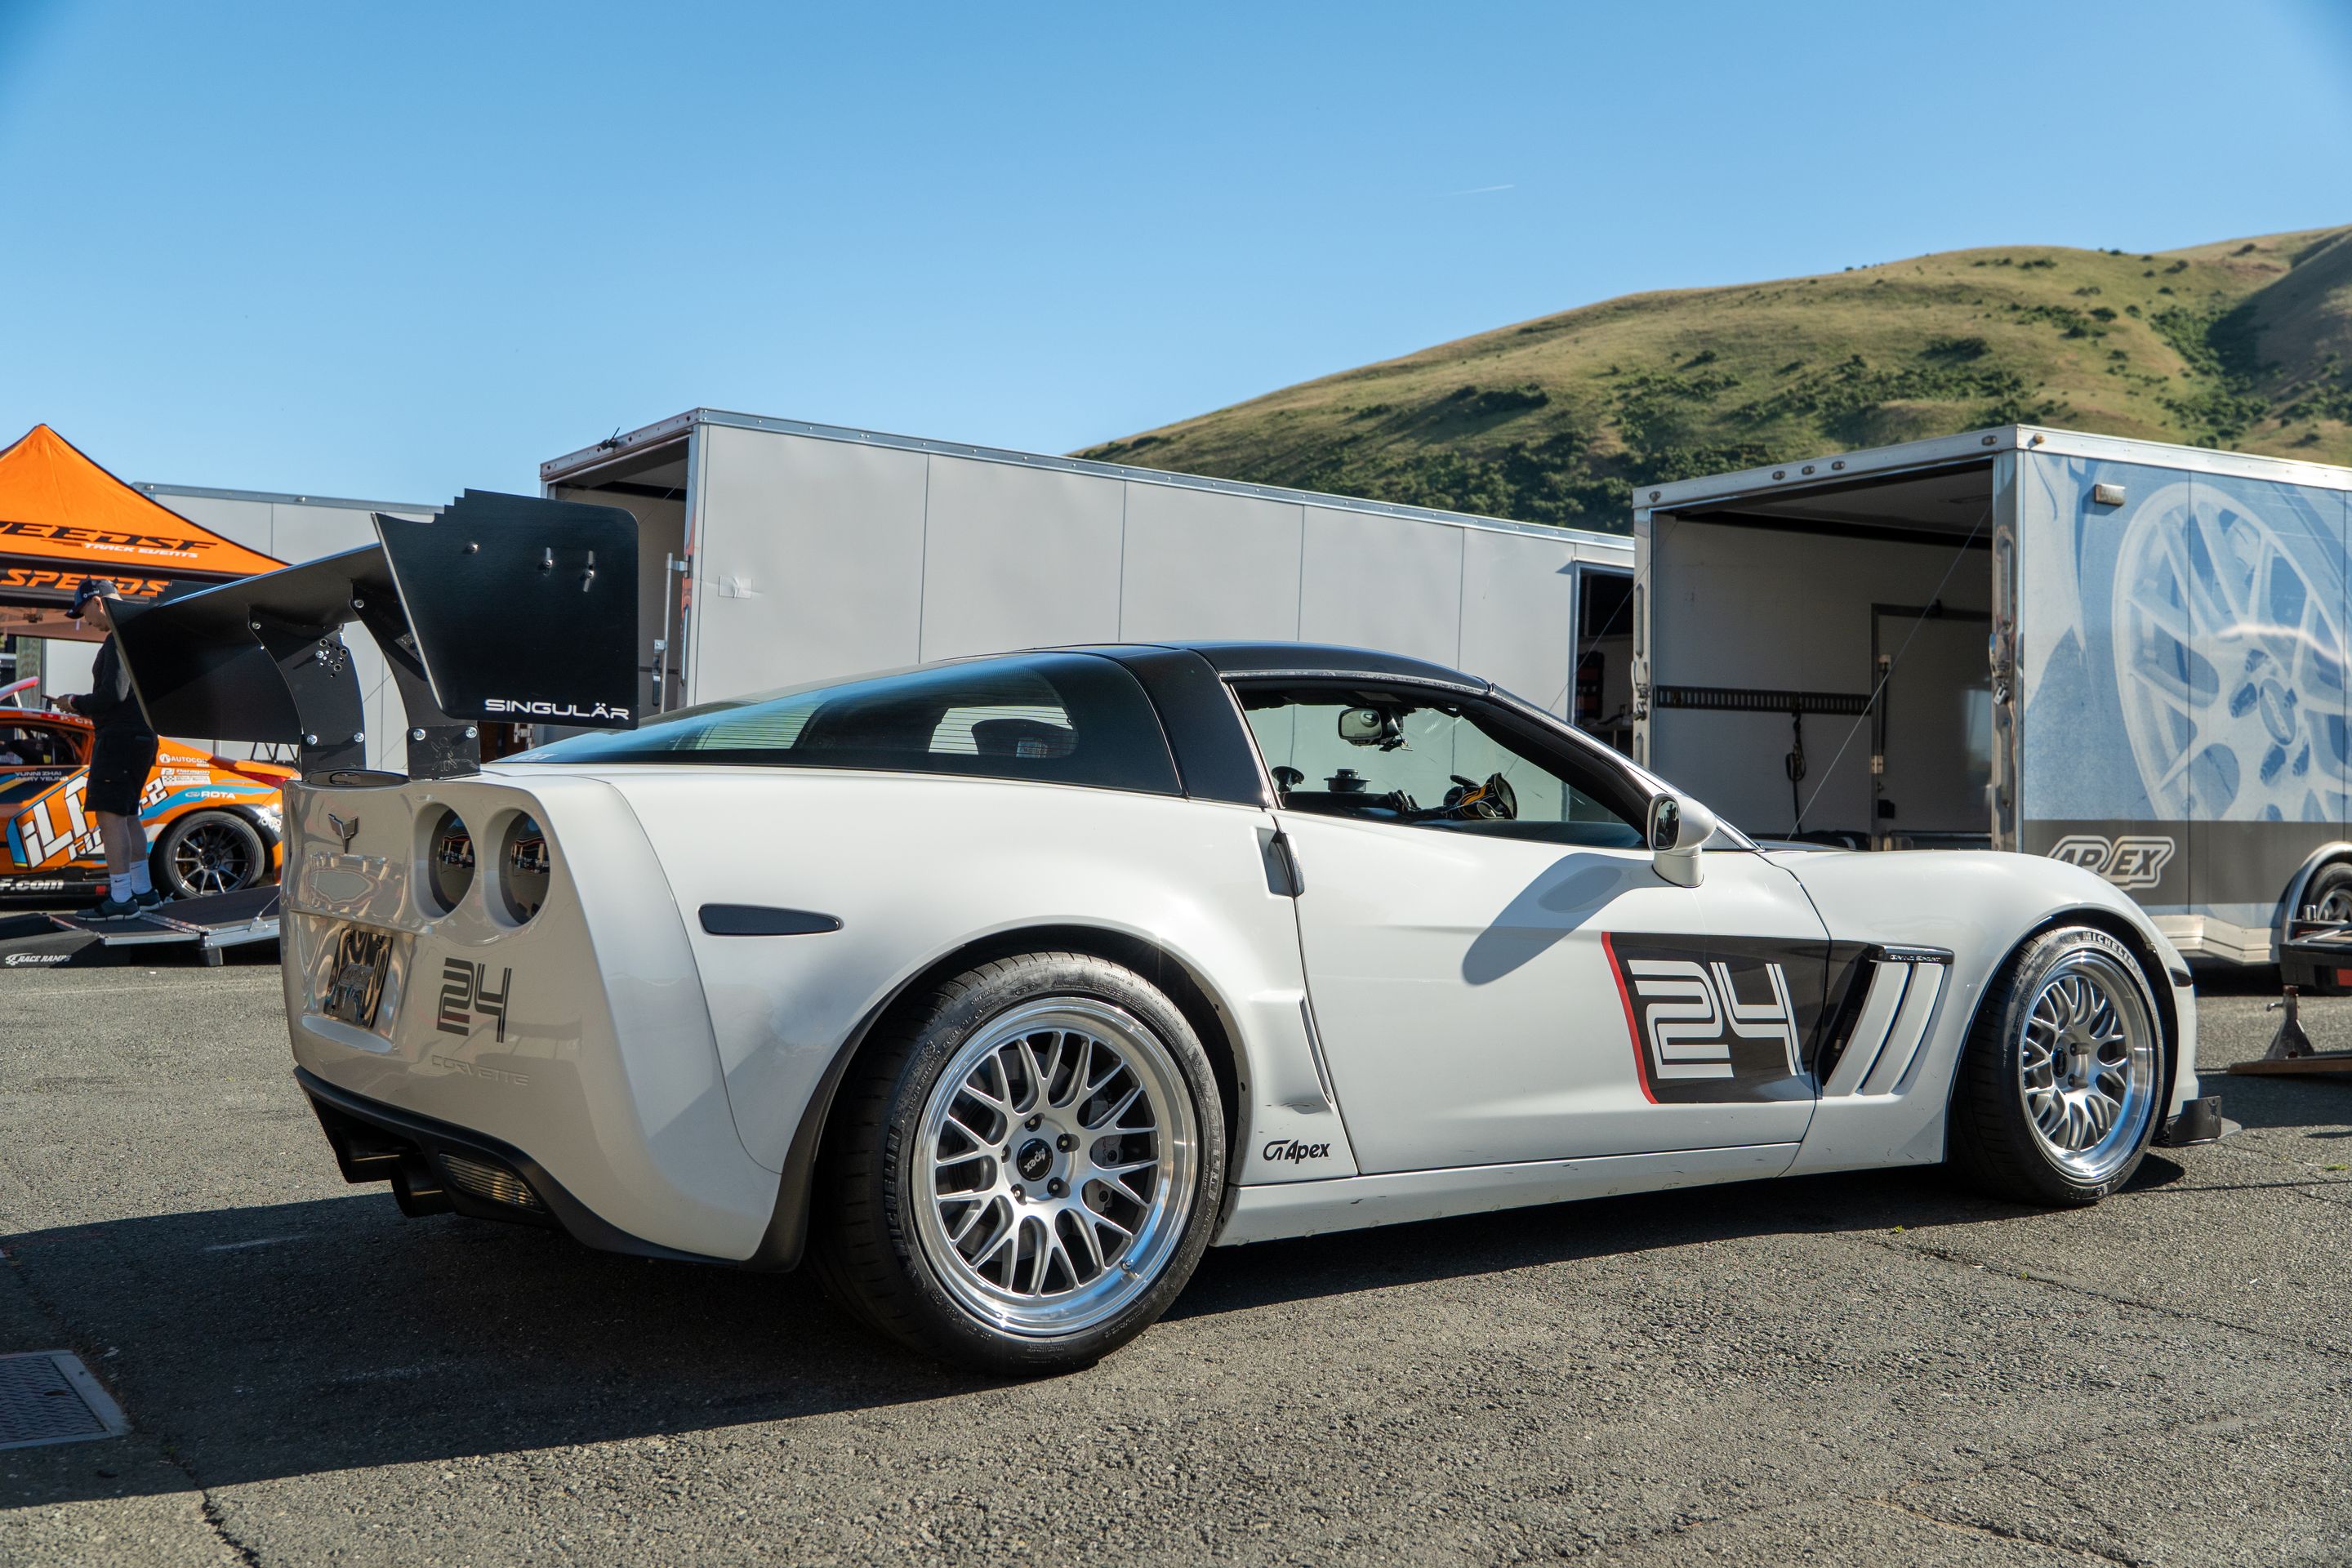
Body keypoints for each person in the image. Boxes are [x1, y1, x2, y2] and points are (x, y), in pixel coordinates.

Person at [55, 579, 163, 918]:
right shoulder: (139, 635)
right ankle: (143, 893)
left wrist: (74, 702)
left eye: (83, 611)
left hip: (120, 739)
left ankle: (120, 900)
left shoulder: (118, 638)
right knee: (129, 815)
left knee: (110, 817)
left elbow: (113, 695)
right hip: (142, 735)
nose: (83, 620)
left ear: (98, 602)